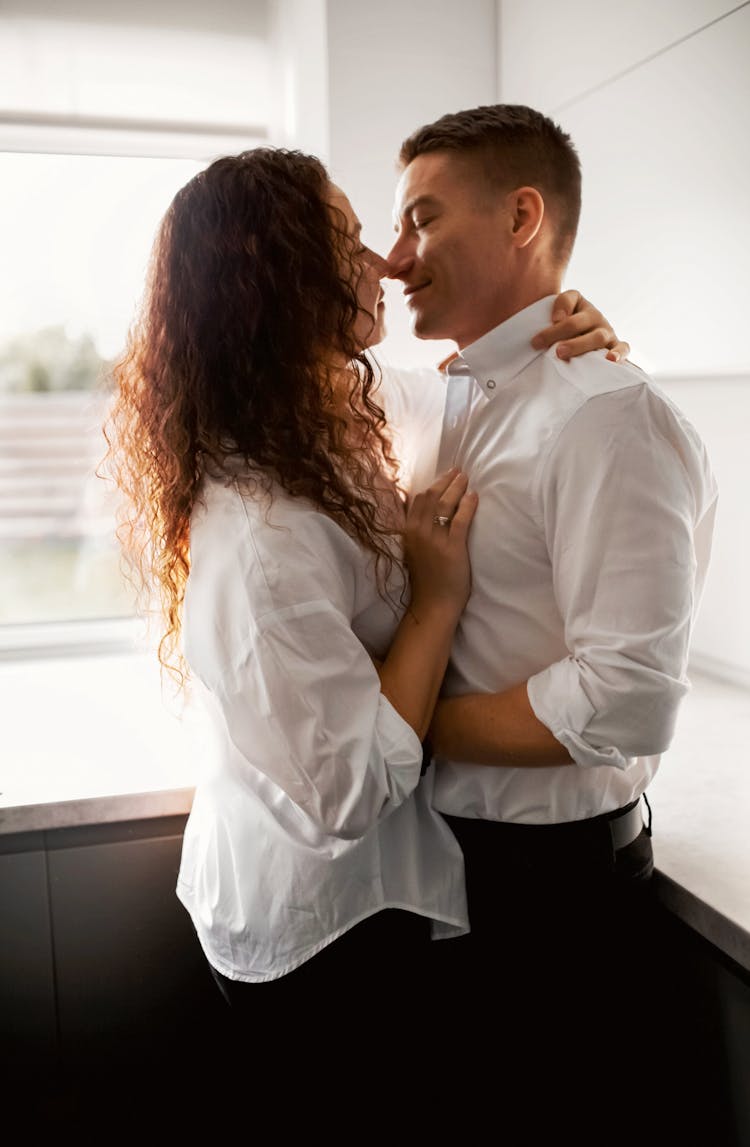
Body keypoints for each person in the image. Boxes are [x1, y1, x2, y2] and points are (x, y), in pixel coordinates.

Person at [103, 145, 628, 1077]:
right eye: (348, 241)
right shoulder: (262, 533)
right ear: (280, 280)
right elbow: (349, 790)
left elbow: (488, 386)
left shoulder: (324, 408)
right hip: (316, 936)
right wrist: (437, 599)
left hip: (361, 901)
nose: (385, 262)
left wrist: (568, 322)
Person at [387, 104, 718, 1134]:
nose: (397, 260)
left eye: (422, 220)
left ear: (522, 214)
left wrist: (398, 721)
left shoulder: (606, 413)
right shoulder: (444, 397)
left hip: (554, 908)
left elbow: (624, 699)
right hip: (451, 875)